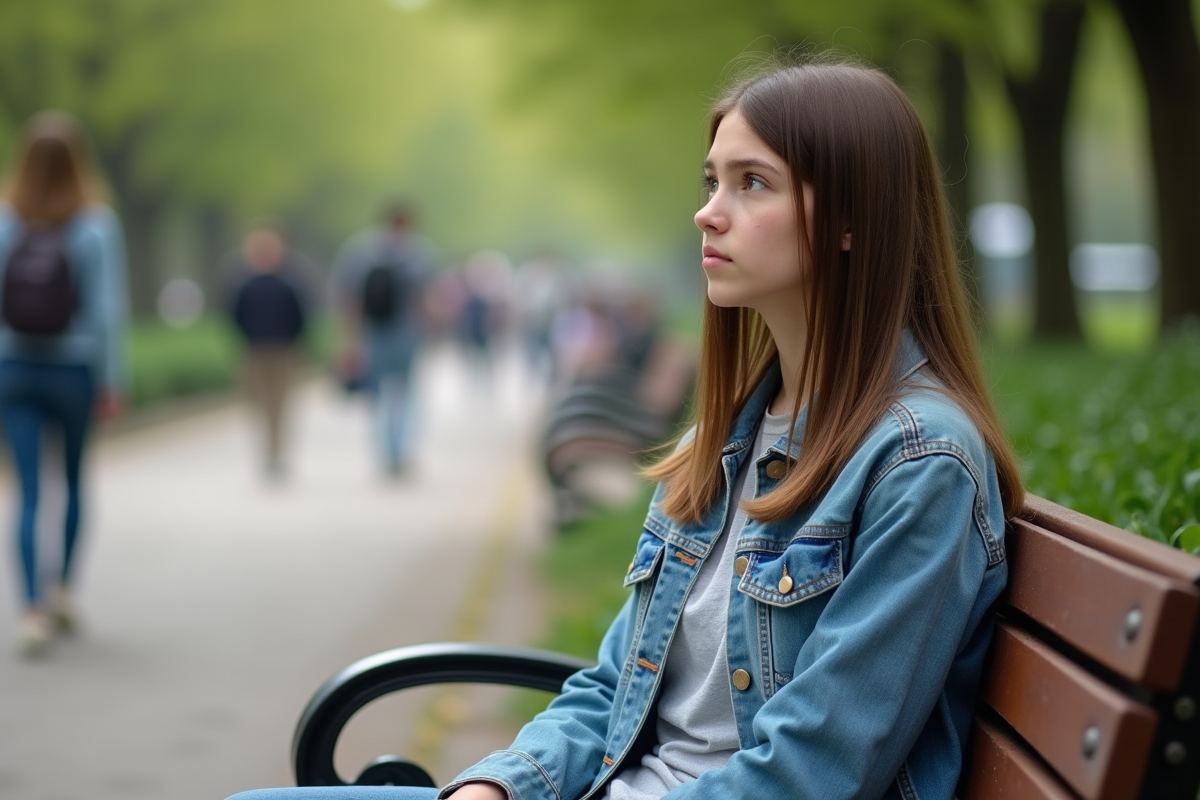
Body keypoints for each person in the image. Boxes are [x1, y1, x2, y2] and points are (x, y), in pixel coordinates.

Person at [228, 57, 1023, 800]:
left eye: (752, 183)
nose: (708, 212)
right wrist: (499, 786)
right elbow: (616, 686)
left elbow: (811, 769)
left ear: (851, 220)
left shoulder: (920, 464)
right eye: (712, 181)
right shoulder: (721, 444)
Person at [0, 111, 128, 656]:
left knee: (27, 491)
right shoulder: (95, 225)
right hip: (74, 369)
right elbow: (106, 311)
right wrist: (113, 381)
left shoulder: (5, 222)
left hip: (14, 367)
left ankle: (31, 610)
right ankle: (63, 592)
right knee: (73, 482)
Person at [331, 202, 436, 475]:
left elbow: (347, 300)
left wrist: (347, 340)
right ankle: (401, 449)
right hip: (406, 333)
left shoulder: (359, 251)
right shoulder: (419, 253)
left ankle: (385, 450)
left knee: (377, 394)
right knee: (405, 393)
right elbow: (427, 301)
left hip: (371, 332)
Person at [223, 223, 315, 479]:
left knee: (280, 406)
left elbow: (301, 317)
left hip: (284, 352)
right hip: (254, 352)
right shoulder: (243, 282)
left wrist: (297, 345)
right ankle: (268, 452)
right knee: (259, 405)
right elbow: (234, 316)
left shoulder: (290, 281)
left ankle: (275, 455)